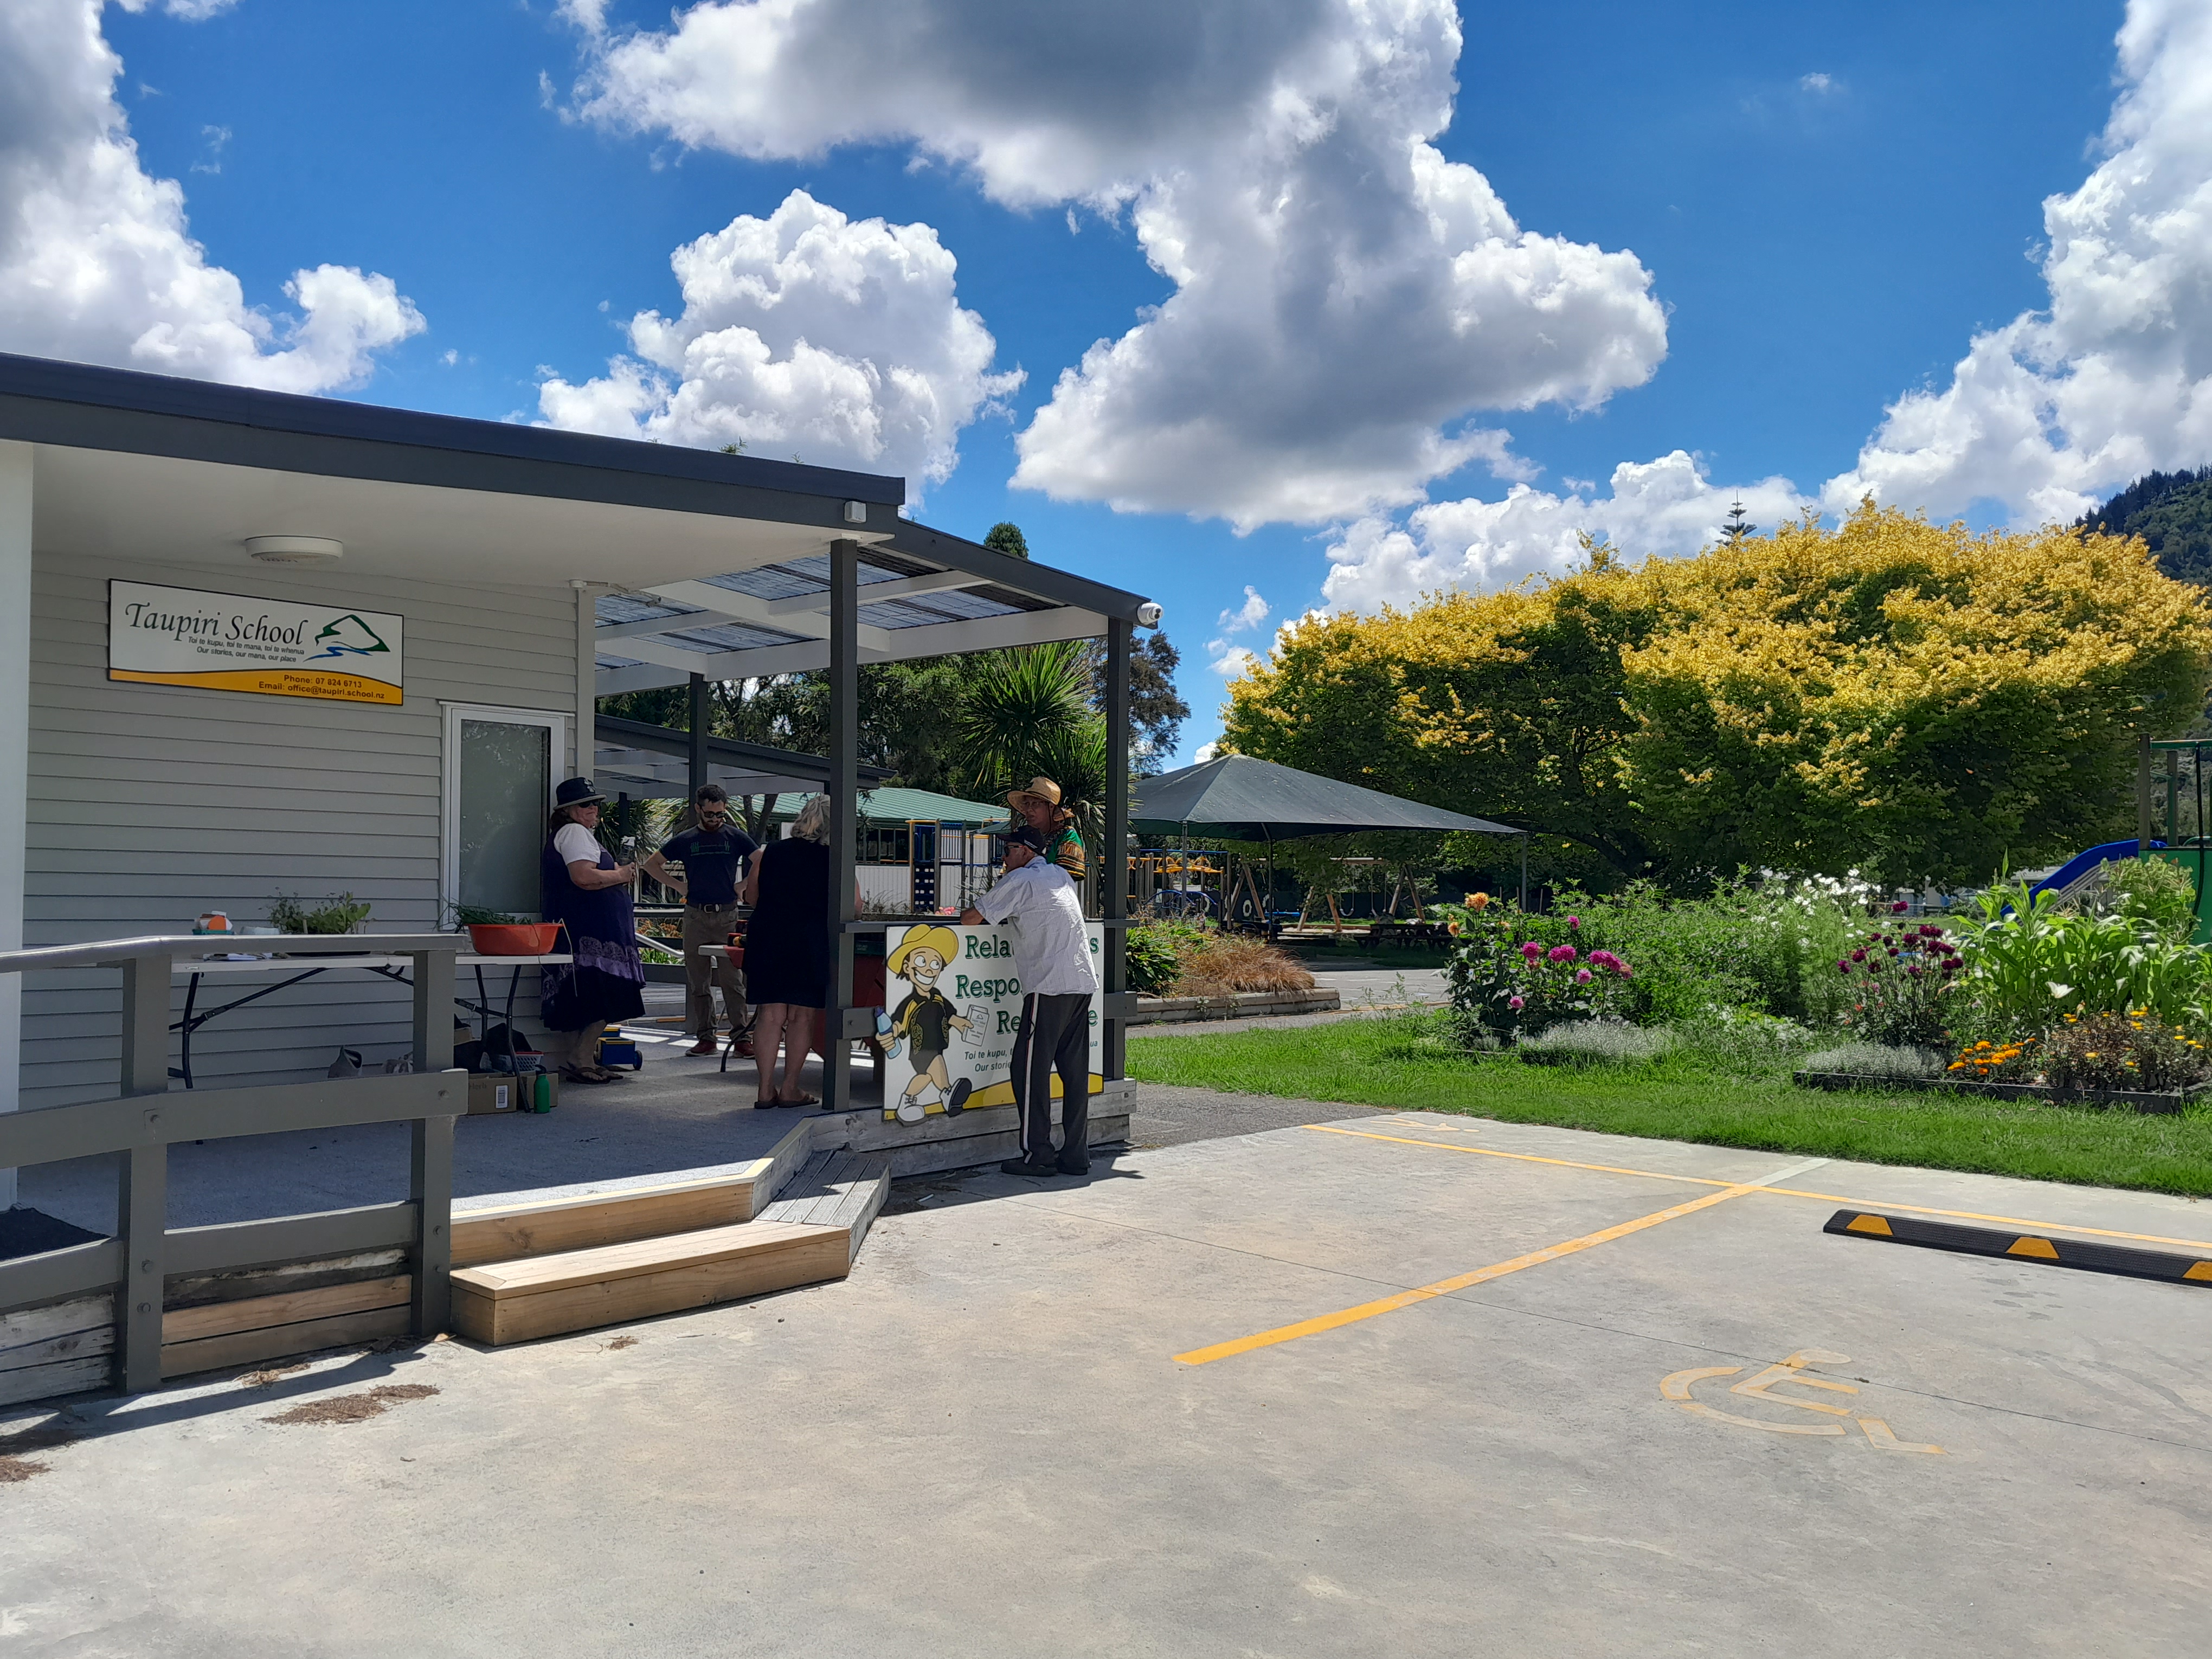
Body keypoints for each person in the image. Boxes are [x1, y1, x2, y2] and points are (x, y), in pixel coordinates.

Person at [961, 824, 1099, 1177]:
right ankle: (1076, 1155)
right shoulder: (1059, 876)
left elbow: (971, 919)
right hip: (1081, 982)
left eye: (1007, 852)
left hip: (1048, 986)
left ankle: (1038, 1153)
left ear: (1024, 852)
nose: (1003, 860)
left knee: (1027, 1070)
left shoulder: (1020, 881)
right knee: (1074, 1074)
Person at [539, 776, 644, 1085]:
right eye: (587, 804)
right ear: (569, 810)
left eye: (596, 803)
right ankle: (581, 1057)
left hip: (589, 935)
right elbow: (584, 877)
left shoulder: (573, 834)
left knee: (588, 998)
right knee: (606, 993)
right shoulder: (574, 833)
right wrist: (622, 874)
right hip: (591, 938)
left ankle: (582, 1058)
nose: (595, 809)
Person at [645, 785, 758, 1057]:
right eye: (709, 814)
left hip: (728, 915)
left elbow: (763, 860)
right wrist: (679, 886)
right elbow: (651, 864)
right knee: (699, 981)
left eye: (720, 814)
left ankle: (741, 1037)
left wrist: (742, 886)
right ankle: (706, 1037)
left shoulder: (735, 837)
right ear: (698, 809)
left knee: (733, 980)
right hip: (695, 914)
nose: (715, 820)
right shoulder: (686, 839)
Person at [739, 793, 835, 1109]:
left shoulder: (770, 853)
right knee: (801, 1017)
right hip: (809, 940)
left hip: (768, 936)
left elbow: (752, 896)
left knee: (770, 1014)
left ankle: (765, 1090)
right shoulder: (834, 858)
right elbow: (855, 906)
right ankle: (791, 1088)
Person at [1006, 776, 1085, 897]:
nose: (1029, 809)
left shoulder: (1067, 836)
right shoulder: (1025, 836)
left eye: (1036, 804)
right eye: (1027, 804)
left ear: (1051, 807)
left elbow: (1064, 878)